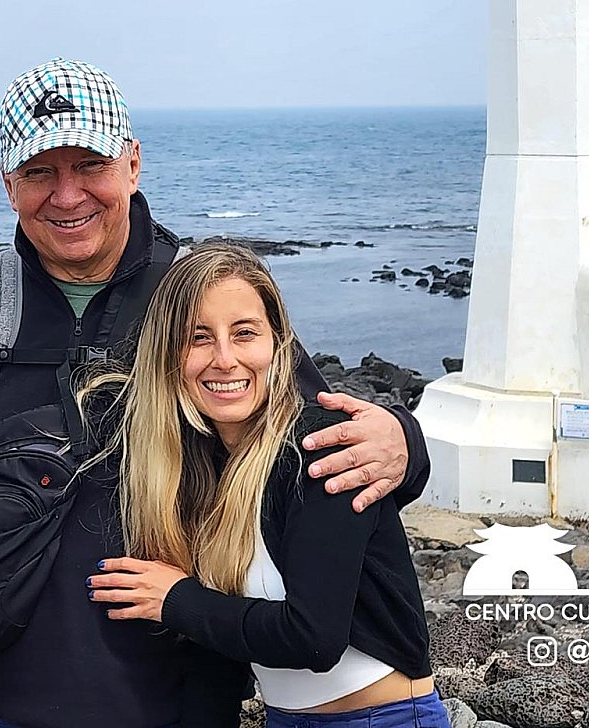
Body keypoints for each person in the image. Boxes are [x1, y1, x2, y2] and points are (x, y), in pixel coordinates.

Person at [0, 59, 431, 728]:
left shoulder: (200, 302)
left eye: (89, 165)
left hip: (181, 708)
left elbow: (315, 439)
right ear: (8, 185)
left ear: (132, 164)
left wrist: (404, 442)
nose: (67, 195)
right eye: (39, 172)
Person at [83, 242, 449, 728]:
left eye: (244, 333)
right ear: (167, 355)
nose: (225, 359)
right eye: (198, 338)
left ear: (277, 343)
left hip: (385, 717)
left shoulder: (320, 449)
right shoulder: (198, 471)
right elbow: (221, 647)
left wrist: (174, 600)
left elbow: (314, 639)